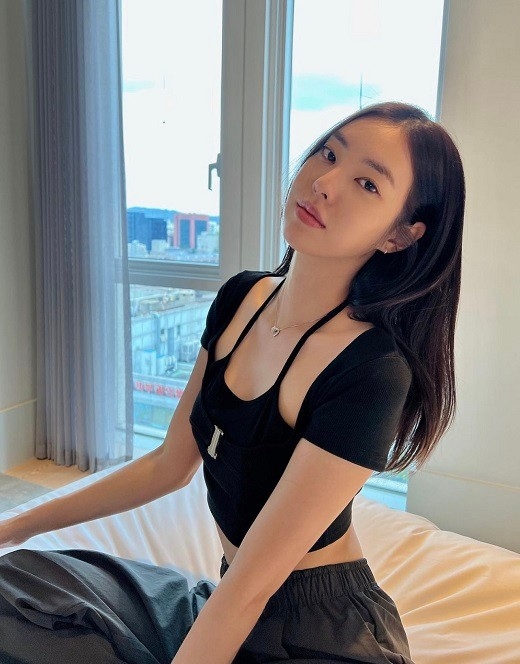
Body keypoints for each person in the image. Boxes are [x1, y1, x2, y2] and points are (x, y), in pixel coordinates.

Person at [0, 101, 465, 664]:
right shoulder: (241, 297)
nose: (324, 183)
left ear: (401, 235)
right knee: (18, 587)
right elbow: (168, 466)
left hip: (317, 632)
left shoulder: (372, 370)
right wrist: (14, 525)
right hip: (225, 601)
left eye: (367, 183)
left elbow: (251, 586)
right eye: (328, 154)